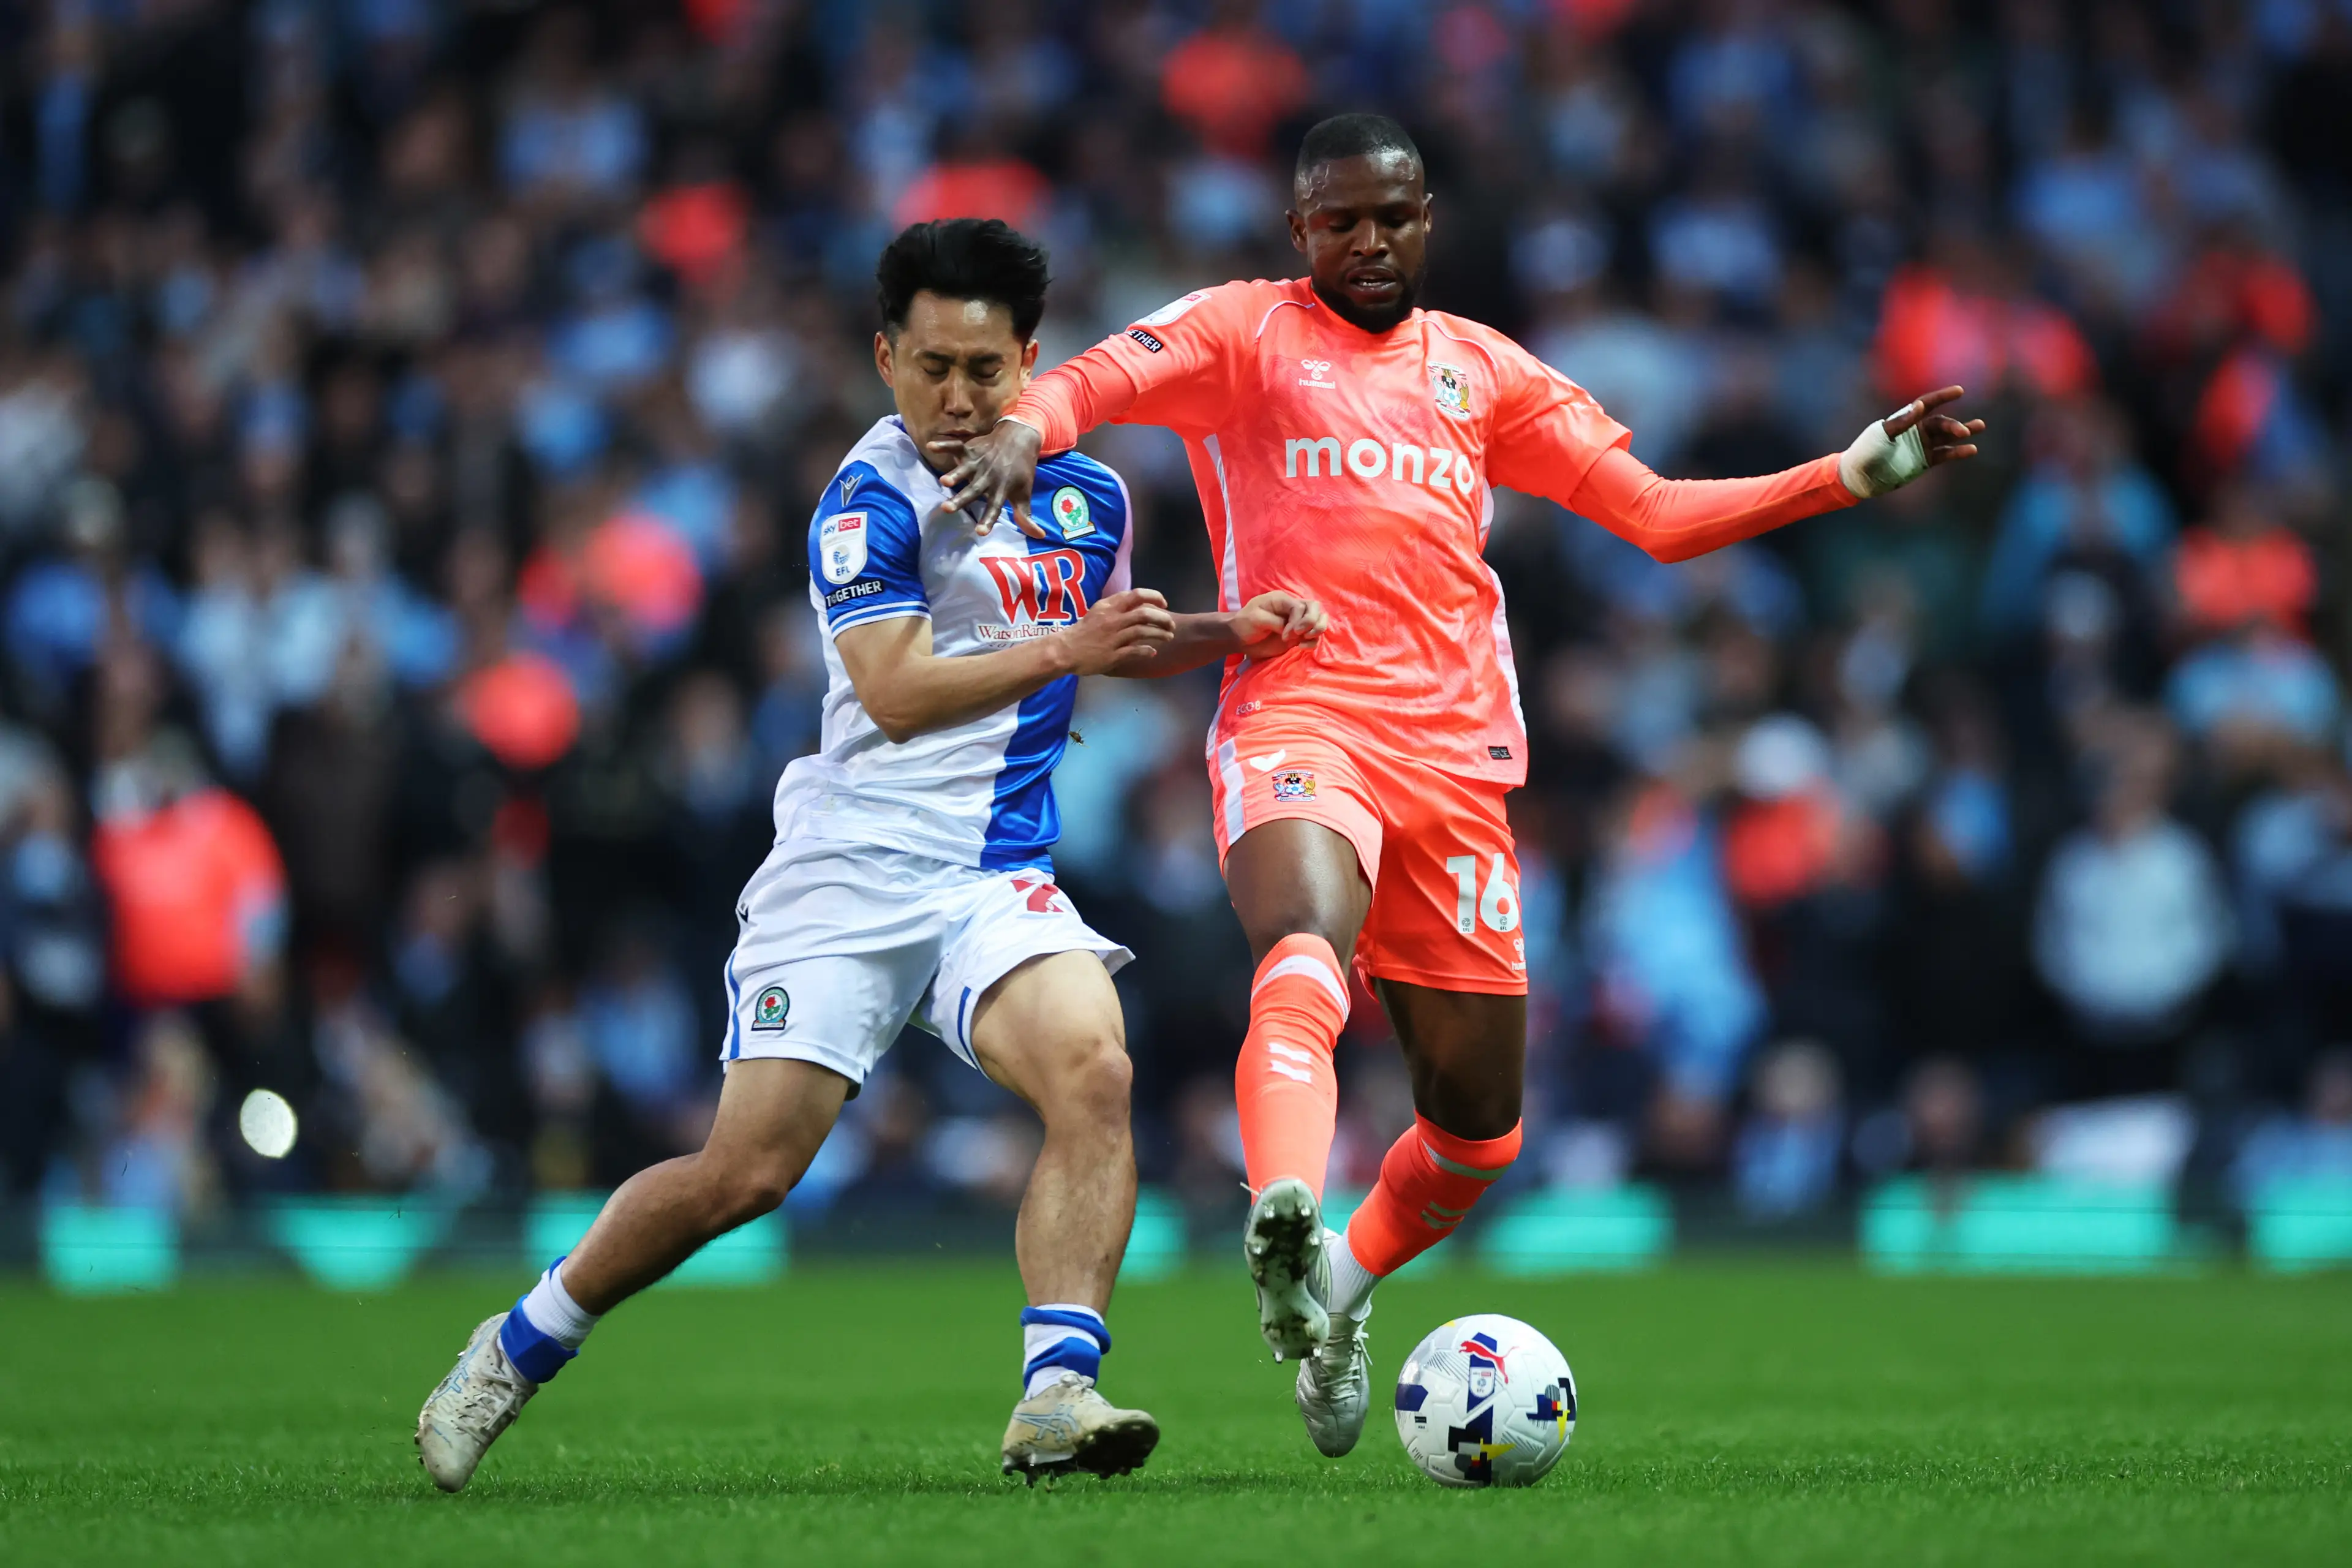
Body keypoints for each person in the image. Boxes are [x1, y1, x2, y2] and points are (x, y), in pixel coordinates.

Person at [941, 113, 1985, 1459]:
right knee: (1302, 938)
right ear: (1298, 228)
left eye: (1392, 216)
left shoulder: (1481, 370)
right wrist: (1023, 432)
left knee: (1479, 1135)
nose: (1367, 242)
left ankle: (1336, 1285)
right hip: (1299, 709)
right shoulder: (1243, 332)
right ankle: (1286, 1205)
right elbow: (1086, 380)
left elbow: (1656, 514)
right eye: (1339, 221)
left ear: (1427, 217)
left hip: (1458, 762)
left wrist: (1847, 473)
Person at [415, 219, 1325, 1491]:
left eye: (989, 370)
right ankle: (518, 1343)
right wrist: (1070, 649)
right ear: (885, 357)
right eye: (936, 365)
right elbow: (895, 690)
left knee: (1094, 1067)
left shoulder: (1091, 495)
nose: (961, 398)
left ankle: (1057, 1386)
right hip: (845, 874)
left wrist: (1238, 630)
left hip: (992, 874)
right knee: (747, 1172)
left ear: (1032, 364)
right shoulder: (863, 499)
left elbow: (1116, 636)